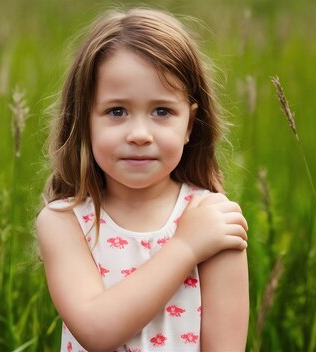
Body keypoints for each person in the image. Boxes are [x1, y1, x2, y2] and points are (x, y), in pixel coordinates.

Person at [35, 8, 249, 351]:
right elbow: (95, 330)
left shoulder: (213, 220)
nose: (139, 134)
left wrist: (198, 239)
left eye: (162, 111)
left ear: (189, 125)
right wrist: (185, 247)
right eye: (117, 111)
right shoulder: (65, 222)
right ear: (84, 119)